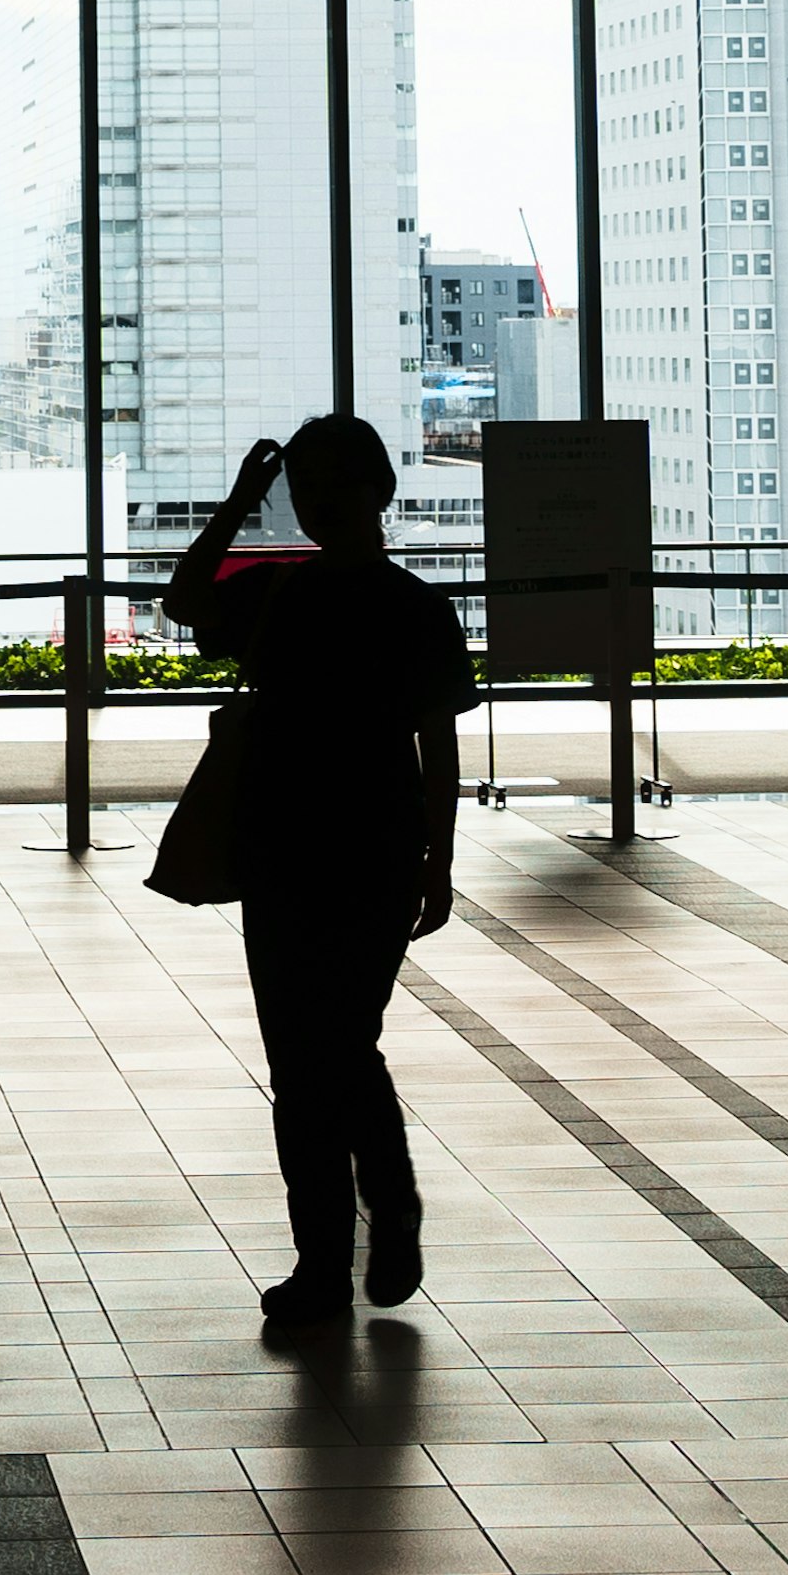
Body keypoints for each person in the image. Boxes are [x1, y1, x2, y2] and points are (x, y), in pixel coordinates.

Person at [164, 414, 471, 1336]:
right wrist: (440, 859)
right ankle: (386, 1212)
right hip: (376, 845)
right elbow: (440, 744)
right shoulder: (415, 605)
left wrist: (236, 504)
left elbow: (184, 599)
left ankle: (327, 1262)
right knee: (341, 1046)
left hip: (284, 844)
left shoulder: (280, 597)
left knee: (306, 1062)